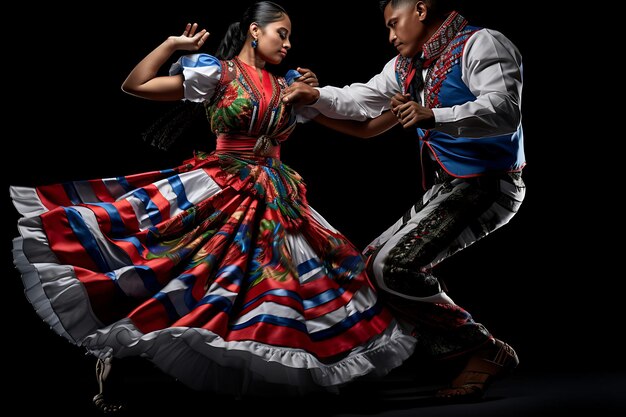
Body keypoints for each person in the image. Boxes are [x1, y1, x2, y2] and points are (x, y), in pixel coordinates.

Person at [9, 2, 415, 412]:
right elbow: (136, 85)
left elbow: (362, 130)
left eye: (291, 36)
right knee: (181, 268)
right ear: (255, 32)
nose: (289, 44)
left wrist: (403, 108)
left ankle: (262, 377)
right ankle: (124, 355)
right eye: (283, 33)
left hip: (277, 194)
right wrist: (171, 45)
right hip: (222, 184)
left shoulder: (291, 86)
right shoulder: (218, 73)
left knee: (279, 285)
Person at [283, 0, 525, 402]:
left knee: (391, 266)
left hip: (490, 185)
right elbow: (359, 102)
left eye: (394, 23)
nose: (391, 35)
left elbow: (505, 111)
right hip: (448, 187)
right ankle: (446, 355)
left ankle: (484, 350)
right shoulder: (404, 69)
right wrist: (315, 95)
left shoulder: (482, 43)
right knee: (369, 267)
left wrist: (434, 115)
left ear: (422, 9)